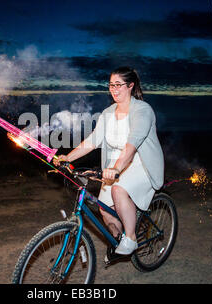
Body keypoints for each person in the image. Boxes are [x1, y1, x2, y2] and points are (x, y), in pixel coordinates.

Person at [53, 66, 164, 255]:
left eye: (118, 85)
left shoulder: (142, 110)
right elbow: (93, 141)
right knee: (103, 208)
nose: (114, 89)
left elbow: (133, 143)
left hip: (140, 164)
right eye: (111, 85)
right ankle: (119, 237)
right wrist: (68, 157)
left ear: (131, 85)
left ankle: (130, 238)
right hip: (115, 166)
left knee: (118, 189)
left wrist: (117, 168)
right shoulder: (108, 113)